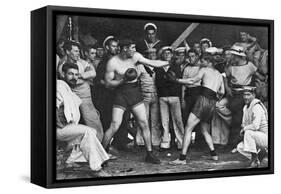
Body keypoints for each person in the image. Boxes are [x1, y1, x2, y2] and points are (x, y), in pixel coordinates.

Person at [102, 39, 169, 164]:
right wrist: (122, 80)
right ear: (125, 49)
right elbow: (107, 83)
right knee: (115, 124)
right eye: (132, 48)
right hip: (121, 93)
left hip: (134, 92)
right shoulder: (112, 62)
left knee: (144, 122)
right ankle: (101, 153)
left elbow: (151, 62)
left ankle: (149, 154)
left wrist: (167, 62)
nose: (134, 50)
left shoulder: (135, 56)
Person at [169, 53, 225, 164]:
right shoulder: (219, 74)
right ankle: (214, 155)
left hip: (203, 100)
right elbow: (222, 91)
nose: (200, 63)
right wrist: (213, 98)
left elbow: (192, 81)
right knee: (204, 130)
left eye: (203, 61)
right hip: (212, 102)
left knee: (188, 128)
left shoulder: (204, 70)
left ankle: (182, 158)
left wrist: (176, 80)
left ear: (209, 62)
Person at [56, 62, 109, 172]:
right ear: (63, 74)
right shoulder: (59, 85)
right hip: (57, 129)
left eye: (76, 75)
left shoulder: (69, 90)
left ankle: (70, 161)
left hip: (65, 127)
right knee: (88, 132)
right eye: (70, 74)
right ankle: (96, 168)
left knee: (92, 132)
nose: (74, 77)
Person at [57, 40, 104, 142]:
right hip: (70, 95)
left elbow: (93, 73)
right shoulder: (62, 65)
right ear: (68, 52)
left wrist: (82, 75)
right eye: (76, 51)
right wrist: (83, 78)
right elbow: (71, 80)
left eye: (78, 51)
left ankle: (101, 146)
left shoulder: (81, 62)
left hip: (84, 95)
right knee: (71, 120)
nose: (78, 53)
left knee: (93, 120)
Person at [93, 36, 132, 152]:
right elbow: (98, 80)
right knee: (108, 120)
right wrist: (109, 84)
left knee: (123, 119)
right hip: (107, 96)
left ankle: (120, 143)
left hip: (119, 95)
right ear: (107, 47)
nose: (116, 49)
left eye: (117, 46)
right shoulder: (103, 63)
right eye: (113, 46)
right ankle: (106, 148)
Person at [225, 45, 258, 148]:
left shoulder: (249, 66)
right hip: (234, 93)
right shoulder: (231, 67)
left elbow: (258, 74)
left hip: (244, 94)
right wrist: (227, 88)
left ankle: (239, 143)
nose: (232, 57)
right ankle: (236, 143)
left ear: (238, 56)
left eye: (234, 55)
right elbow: (226, 78)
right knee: (236, 116)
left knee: (239, 118)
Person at [154, 46, 184, 150]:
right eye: (165, 53)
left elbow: (177, 81)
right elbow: (158, 83)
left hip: (174, 96)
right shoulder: (158, 67)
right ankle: (165, 143)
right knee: (164, 121)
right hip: (163, 96)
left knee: (178, 121)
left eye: (169, 54)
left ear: (172, 55)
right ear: (162, 55)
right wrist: (169, 80)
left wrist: (167, 80)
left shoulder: (176, 66)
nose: (167, 55)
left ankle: (181, 143)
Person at [236, 86, 268, 168]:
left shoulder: (256, 106)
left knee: (248, 132)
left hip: (266, 137)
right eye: (244, 95)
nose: (246, 97)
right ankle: (259, 157)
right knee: (240, 147)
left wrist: (245, 129)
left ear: (253, 95)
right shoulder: (245, 107)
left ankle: (254, 160)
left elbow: (256, 126)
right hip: (256, 136)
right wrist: (244, 127)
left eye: (248, 94)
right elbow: (243, 123)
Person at [135, 48, 162, 147]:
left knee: (155, 121)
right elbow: (135, 81)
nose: (152, 55)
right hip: (144, 95)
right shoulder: (140, 66)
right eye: (150, 54)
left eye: (154, 53)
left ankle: (155, 142)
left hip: (155, 95)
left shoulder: (157, 66)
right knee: (143, 120)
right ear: (145, 55)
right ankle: (140, 141)